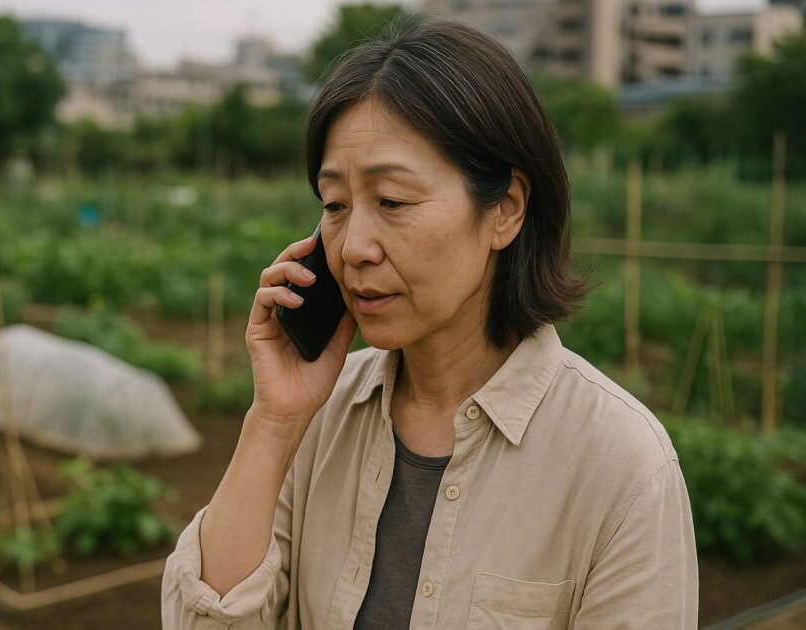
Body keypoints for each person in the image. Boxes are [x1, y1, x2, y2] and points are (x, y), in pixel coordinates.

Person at [161, 16, 698, 630]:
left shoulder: (621, 465)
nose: (354, 245)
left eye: (392, 201)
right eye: (334, 205)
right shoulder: (319, 420)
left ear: (505, 210)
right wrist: (273, 423)